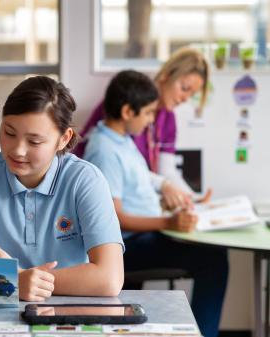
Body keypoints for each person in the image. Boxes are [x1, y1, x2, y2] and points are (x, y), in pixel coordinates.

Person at [0, 76, 125, 302]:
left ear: (63, 139)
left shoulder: (85, 180)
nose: (17, 150)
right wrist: (16, 281)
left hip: (66, 316)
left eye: (34, 142)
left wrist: (23, 280)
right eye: (9, 133)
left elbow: (110, 278)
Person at [83, 70, 228, 337]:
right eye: (148, 113)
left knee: (211, 251)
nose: (151, 121)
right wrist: (168, 222)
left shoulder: (121, 141)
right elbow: (116, 218)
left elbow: (142, 178)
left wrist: (174, 193)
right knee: (214, 260)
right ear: (128, 111)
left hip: (146, 235)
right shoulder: (104, 150)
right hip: (131, 245)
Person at [75, 47, 212, 210]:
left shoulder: (168, 118)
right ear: (166, 75)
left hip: (137, 202)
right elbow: (95, 161)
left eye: (192, 95)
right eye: (184, 88)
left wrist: (191, 199)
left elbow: (165, 170)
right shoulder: (124, 109)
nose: (185, 99)